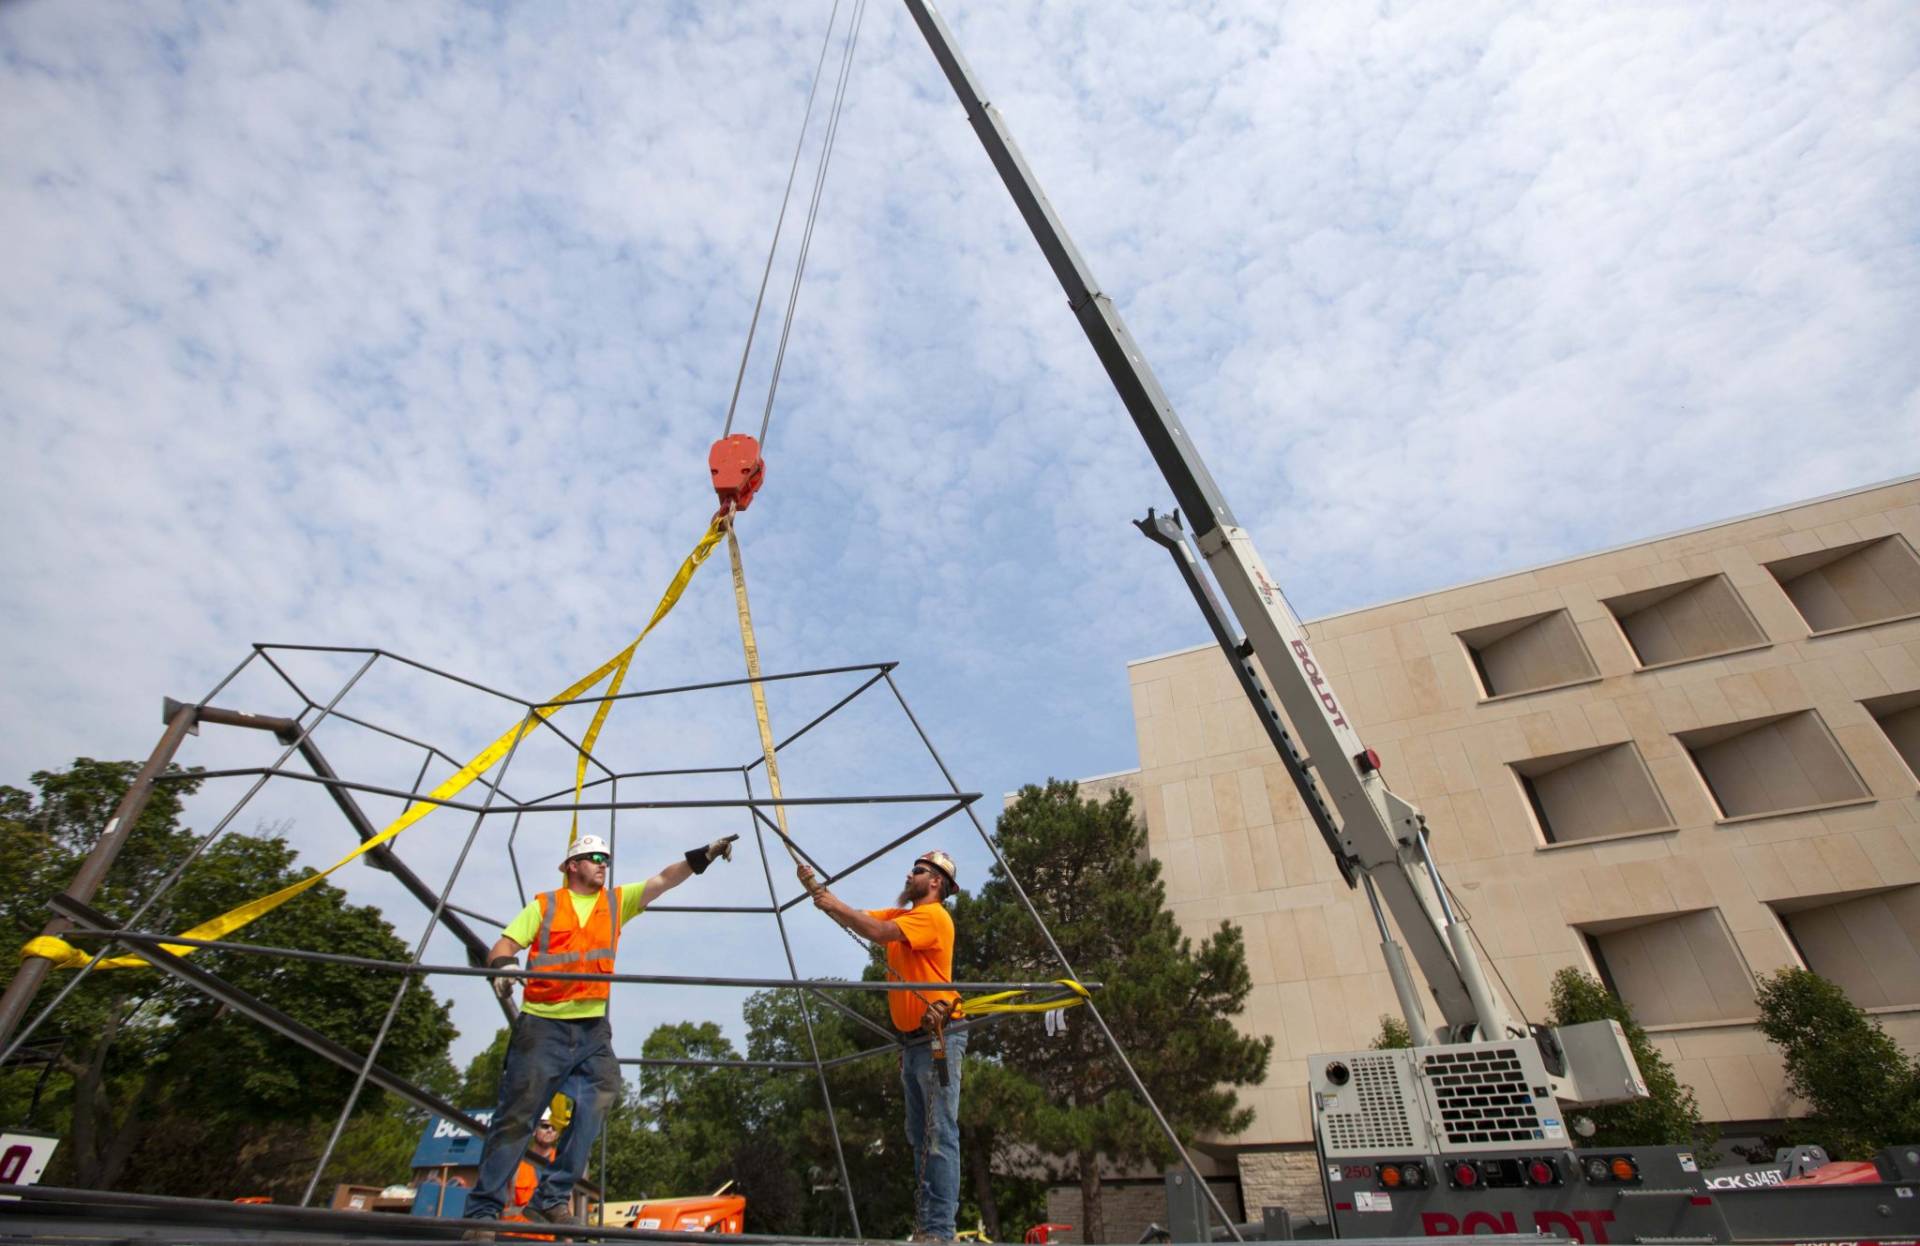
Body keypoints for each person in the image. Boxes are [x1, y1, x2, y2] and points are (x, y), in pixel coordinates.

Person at [462, 832, 737, 1235]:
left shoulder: (615, 902)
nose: (602, 863)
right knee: (517, 1117)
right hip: (543, 1026)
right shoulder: (545, 905)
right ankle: (482, 1213)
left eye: (606, 857)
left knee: (600, 1096)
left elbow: (664, 879)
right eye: (593, 857)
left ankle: (551, 1198)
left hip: (592, 1030)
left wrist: (706, 855)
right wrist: (503, 968)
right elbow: (504, 945)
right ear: (572, 865)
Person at [798, 850, 965, 1243]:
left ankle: (939, 1230)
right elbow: (861, 919)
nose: (911, 874)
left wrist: (830, 900)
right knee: (920, 1136)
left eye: (919, 871)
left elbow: (875, 932)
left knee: (938, 1134)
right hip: (914, 1041)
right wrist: (817, 891)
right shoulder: (904, 916)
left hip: (939, 1038)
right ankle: (927, 1227)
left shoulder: (932, 916)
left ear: (936, 883)